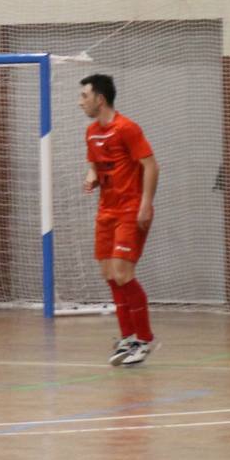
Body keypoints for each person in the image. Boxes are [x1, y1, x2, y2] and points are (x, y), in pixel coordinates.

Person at [81, 74, 160, 366]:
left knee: (123, 273)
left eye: (84, 96)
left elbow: (151, 166)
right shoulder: (91, 131)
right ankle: (127, 337)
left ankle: (145, 339)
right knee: (110, 275)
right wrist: (91, 177)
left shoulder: (127, 128)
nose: (81, 102)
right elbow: (94, 163)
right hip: (106, 211)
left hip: (130, 210)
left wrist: (145, 204)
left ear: (100, 99)